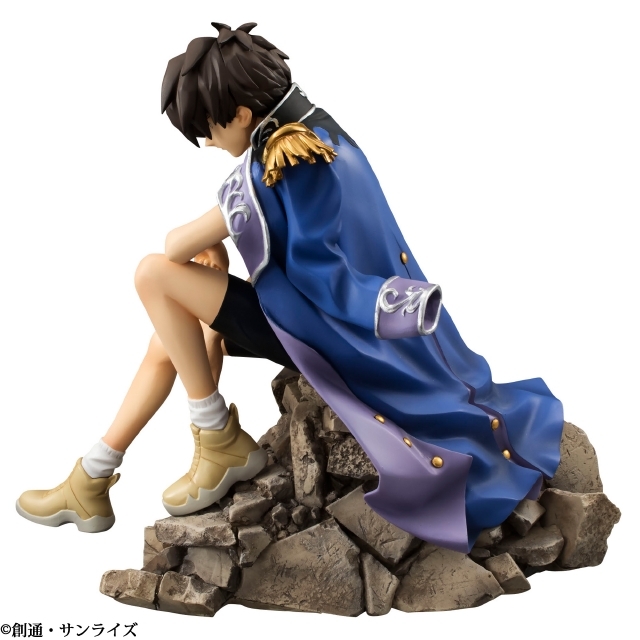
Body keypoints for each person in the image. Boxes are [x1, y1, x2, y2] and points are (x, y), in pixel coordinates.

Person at [17, 21, 564, 552]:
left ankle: (216, 439)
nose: (208, 143)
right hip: (312, 315)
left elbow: (178, 244)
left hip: (323, 332)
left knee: (152, 275)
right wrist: (219, 249)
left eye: (209, 130)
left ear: (241, 114)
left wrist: (211, 244)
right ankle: (92, 476)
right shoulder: (320, 132)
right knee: (172, 335)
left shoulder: (283, 163)